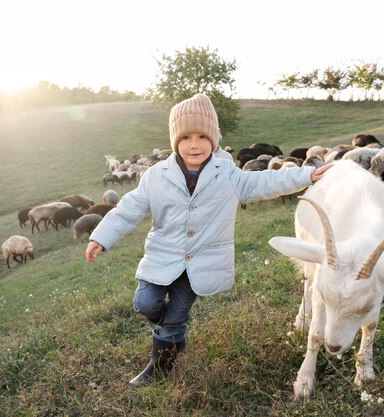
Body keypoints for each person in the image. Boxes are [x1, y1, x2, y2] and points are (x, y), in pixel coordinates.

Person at [85, 93, 332, 386]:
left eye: (203, 136)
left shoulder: (227, 174)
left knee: (175, 316)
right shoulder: (156, 176)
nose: (194, 144)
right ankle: (172, 334)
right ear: (175, 140)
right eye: (186, 137)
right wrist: (101, 236)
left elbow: (266, 181)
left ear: (213, 140)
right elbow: (127, 209)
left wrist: (308, 175)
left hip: (201, 263)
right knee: (145, 304)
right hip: (163, 258)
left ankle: (161, 364)